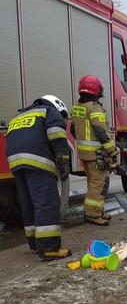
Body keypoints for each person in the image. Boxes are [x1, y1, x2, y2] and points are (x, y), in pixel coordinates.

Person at [5, 95, 71, 261]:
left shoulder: (18, 117)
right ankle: (49, 248)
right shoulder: (50, 112)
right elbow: (58, 138)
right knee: (46, 202)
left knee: (28, 203)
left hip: (16, 163)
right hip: (38, 161)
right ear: (58, 107)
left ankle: (35, 243)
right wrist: (63, 163)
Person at [71, 75, 118, 226]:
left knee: (92, 183)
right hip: (96, 153)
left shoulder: (78, 106)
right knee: (99, 183)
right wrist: (112, 150)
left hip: (84, 153)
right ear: (97, 90)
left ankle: (98, 211)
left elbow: (73, 129)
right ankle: (92, 214)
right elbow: (101, 131)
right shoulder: (94, 107)